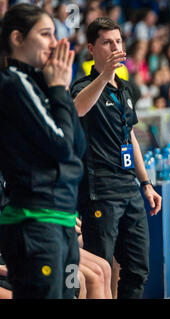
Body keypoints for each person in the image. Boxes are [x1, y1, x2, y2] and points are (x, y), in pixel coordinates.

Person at [70, 17, 162, 299]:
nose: (115, 47)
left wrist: (145, 182)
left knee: (137, 270)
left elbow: (130, 136)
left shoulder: (124, 89)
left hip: (129, 189)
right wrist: (103, 75)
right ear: (91, 48)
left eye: (118, 41)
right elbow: (77, 110)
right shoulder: (83, 86)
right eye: (107, 42)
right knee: (101, 268)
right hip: (100, 193)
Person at [0, 3, 85, 299]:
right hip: (35, 223)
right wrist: (60, 89)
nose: (54, 43)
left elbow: (78, 145)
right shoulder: (13, 83)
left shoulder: (40, 82)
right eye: (46, 34)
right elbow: (63, 148)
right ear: (17, 38)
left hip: (60, 218)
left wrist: (59, 87)